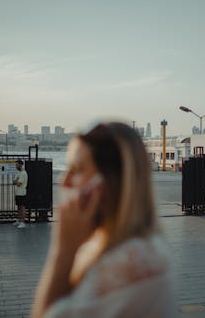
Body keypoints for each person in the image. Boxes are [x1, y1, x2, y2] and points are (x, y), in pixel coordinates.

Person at [32, 122, 176, 318]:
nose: (64, 181)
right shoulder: (117, 245)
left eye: (77, 169)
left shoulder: (130, 265)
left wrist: (63, 249)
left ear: (108, 183)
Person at [12, 159, 28, 229]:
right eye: (15, 164)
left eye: (17, 164)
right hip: (17, 193)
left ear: (21, 165)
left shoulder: (24, 173)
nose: (16, 166)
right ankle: (19, 220)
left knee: (22, 207)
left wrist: (16, 181)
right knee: (18, 207)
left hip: (22, 193)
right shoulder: (18, 173)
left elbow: (18, 183)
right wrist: (16, 181)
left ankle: (23, 222)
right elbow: (13, 182)